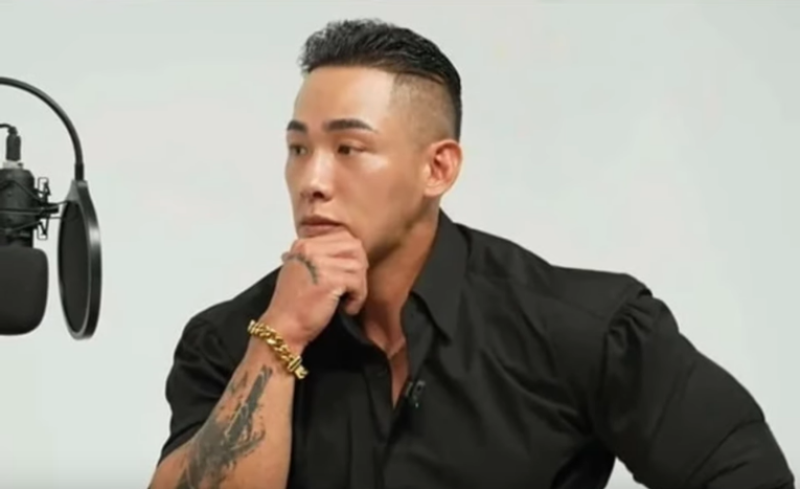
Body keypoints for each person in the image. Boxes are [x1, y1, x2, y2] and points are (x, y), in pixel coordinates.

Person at [148, 18, 794, 489]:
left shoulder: (581, 327)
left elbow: (746, 475)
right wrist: (280, 339)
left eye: (348, 148)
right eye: (298, 149)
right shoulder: (228, 340)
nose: (312, 179)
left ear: (438, 168)